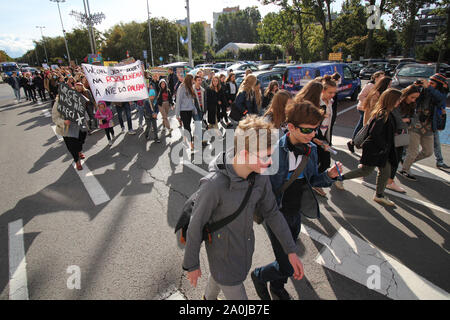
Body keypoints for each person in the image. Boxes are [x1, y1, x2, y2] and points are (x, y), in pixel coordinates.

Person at [183, 115, 304, 300]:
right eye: (266, 156)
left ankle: (207, 299)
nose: (270, 162)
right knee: (230, 283)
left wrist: (290, 250)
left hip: (243, 250)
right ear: (245, 155)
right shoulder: (214, 185)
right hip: (222, 255)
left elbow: (272, 212)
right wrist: (192, 264)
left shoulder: (260, 176)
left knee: (218, 278)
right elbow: (196, 224)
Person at [251, 101, 342, 300]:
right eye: (308, 130)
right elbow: (259, 186)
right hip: (275, 214)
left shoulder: (311, 149)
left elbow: (313, 181)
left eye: (315, 130)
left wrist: (330, 175)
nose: (313, 135)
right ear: (290, 127)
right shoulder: (273, 151)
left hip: (295, 212)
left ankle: (277, 287)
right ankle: (259, 276)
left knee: (286, 258)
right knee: (287, 263)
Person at [335, 88, 403, 207]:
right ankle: (340, 178)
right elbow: (374, 133)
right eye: (398, 100)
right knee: (366, 171)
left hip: (381, 150)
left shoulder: (387, 112)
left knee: (385, 171)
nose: (399, 102)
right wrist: (384, 146)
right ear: (391, 100)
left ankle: (379, 195)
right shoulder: (382, 114)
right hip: (375, 150)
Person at [400, 74, 449, 179]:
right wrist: (416, 86)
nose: (429, 84)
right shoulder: (423, 91)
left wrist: (429, 87)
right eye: (429, 82)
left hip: (429, 127)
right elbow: (409, 97)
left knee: (428, 151)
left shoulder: (440, 93)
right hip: (414, 125)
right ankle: (405, 169)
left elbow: (441, 100)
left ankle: (406, 162)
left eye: (432, 83)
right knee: (412, 151)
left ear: (438, 85)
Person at [386, 85, 420, 193]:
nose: (413, 100)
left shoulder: (412, 105)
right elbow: (397, 121)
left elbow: (415, 119)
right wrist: (406, 121)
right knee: (389, 159)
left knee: (396, 158)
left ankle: (389, 182)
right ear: (406, 95)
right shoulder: (397, 102)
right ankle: (387, 182)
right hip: (392, 133)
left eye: (415, 98)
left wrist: (407, 120)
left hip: (403, 134)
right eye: (412, 97)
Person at [311, 75, 338, 197]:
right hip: (315, 137)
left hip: (325, 137)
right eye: (330, 92)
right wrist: (316, 139)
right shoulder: (316, 103)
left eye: (334, 92)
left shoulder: (330, 102)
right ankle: (314, 183)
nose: (332, 95)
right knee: (319, 161)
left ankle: (315, 182)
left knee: (325, 161)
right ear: (322, 91)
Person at [347, 71, 385, 153]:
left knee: (364, 126)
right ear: (375, 77)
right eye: (381, 77)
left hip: (372, 110)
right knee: (362, 125)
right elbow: (360, 96)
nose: (382, 78)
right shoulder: (369, 85)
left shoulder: (379, 86)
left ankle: (355, 141)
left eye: (383, 77)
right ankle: (353, 141)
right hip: (364, 108)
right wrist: (368, 104)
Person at [52, 96, 89, 171]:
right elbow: (55, 118)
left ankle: (79, 150)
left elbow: (82, 110)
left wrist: (86, 118)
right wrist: (64, 122)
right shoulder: (58, 103)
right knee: (72, 146)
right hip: (67, 129)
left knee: (81, 141)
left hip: (79, 126)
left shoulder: (75, 98)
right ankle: (77, 161)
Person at [175, 74, 197, 150]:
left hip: (190, 110)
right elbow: (178, 101)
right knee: (187, 127)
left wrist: (194, 109)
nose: (193, 81)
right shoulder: (181, 87)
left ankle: (185, 139)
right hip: (183, 111)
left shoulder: (190, 87)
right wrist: (177, 114)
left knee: (187, 127)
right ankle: (191, 144)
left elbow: (192, 101)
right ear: (188, 80)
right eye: (192, 80)